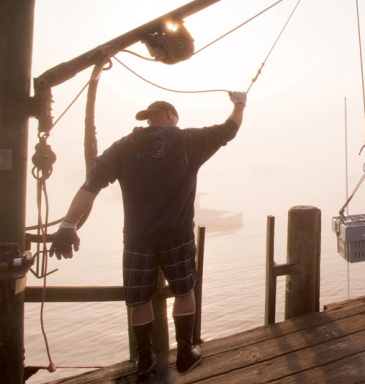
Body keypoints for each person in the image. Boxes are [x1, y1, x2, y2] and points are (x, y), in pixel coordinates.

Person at [49, 91, 247, 376]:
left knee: (139, 300)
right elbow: (230, 129)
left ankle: (144, 359)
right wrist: (239, 103)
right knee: (184, 291)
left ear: (148, 120)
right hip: (177, 236)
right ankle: (185, 353)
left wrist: (67, 226)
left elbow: (90, 186)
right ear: (171, 116)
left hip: (136, 240)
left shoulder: (123, 147)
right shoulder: (187, 141)